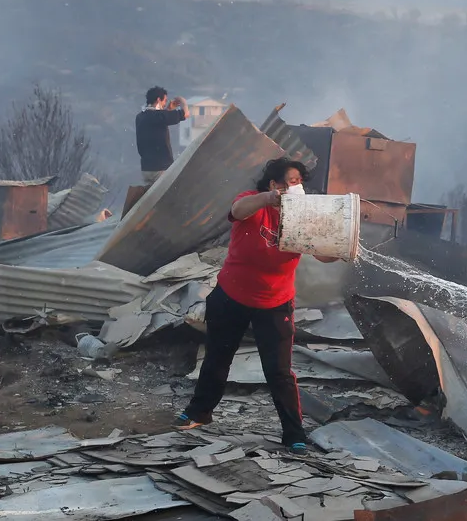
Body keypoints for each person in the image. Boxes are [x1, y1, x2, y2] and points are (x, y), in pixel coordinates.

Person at [174, 158, 340, 455]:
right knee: (217, 359)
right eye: (291, 181)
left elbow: (325, 254)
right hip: (231, 295)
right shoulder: (252, 202)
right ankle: (199, 413)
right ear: (274, 185)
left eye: (300, 181)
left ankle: (294, 434)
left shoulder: (303, 217)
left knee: (279, 372)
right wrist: (268, 199)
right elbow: (237, 212)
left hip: (275, 303)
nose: (297, 187)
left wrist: (340, 245)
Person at [135, 86, 189, 185]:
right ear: (158, 99)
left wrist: (168, 109)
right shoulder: (158, 116)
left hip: (146, 169)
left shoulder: (140, 117)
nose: (165, 104)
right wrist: (183, 102)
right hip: (161, 168)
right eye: (164, 101)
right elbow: (185, 114)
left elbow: (159, 119)